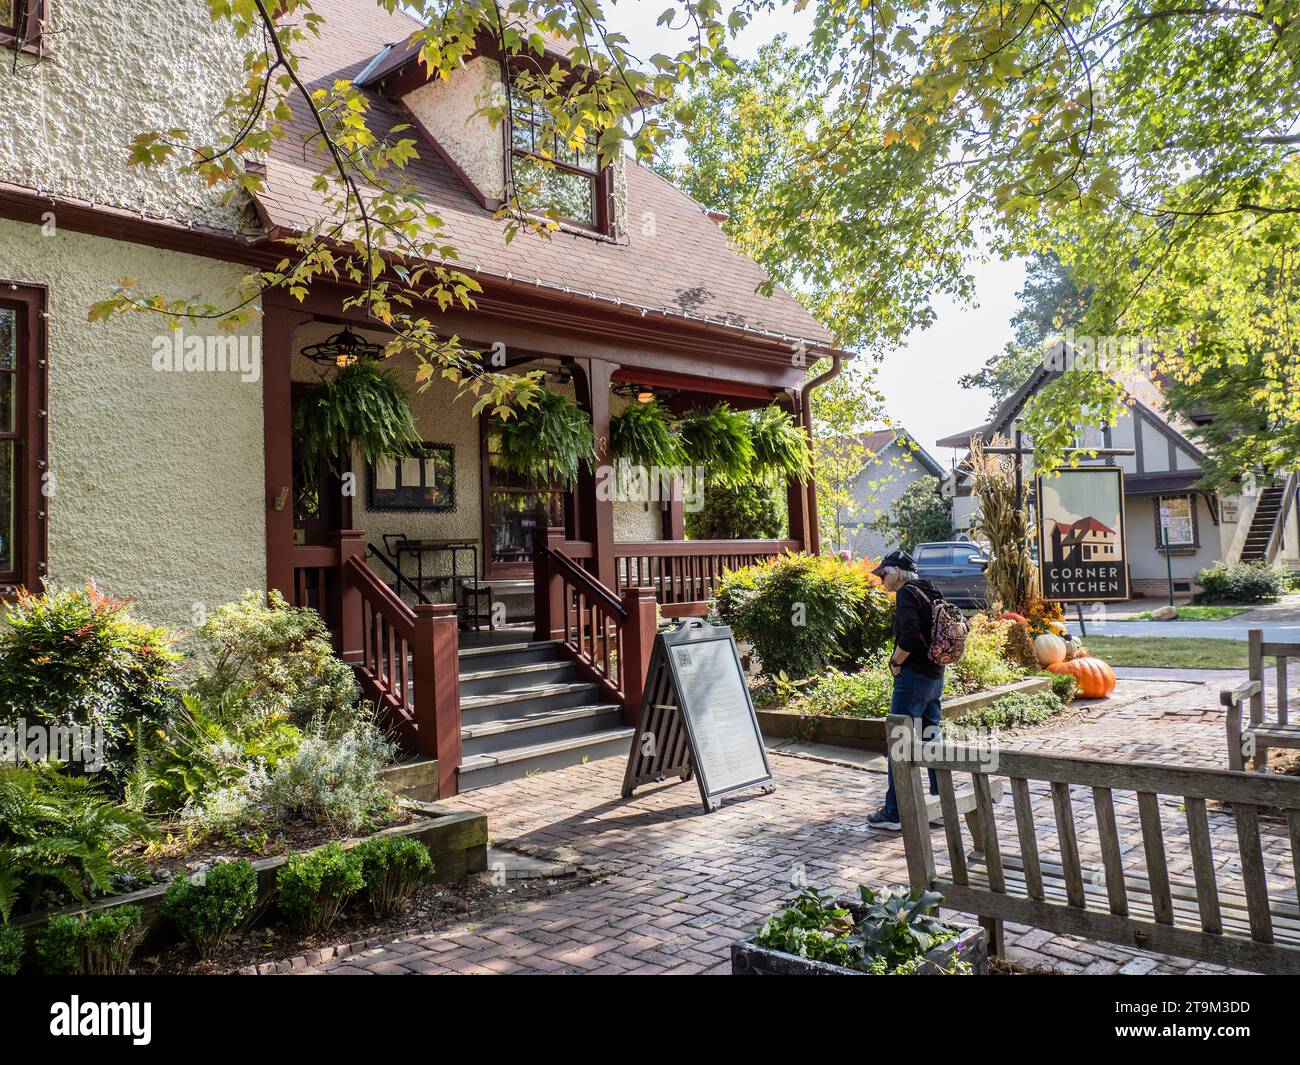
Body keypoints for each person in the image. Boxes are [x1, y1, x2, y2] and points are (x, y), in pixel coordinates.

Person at [867, 549, 944, 831]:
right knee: (931, 738)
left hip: (912, 677)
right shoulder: (931, 588)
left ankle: (894, 812)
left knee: (899, 740)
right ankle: (941, 806)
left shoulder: (906, 593)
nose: (882, 580)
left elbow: (910, 635)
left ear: (898, 571)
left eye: (884, 573)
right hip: (935, 676)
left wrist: (895, 662)